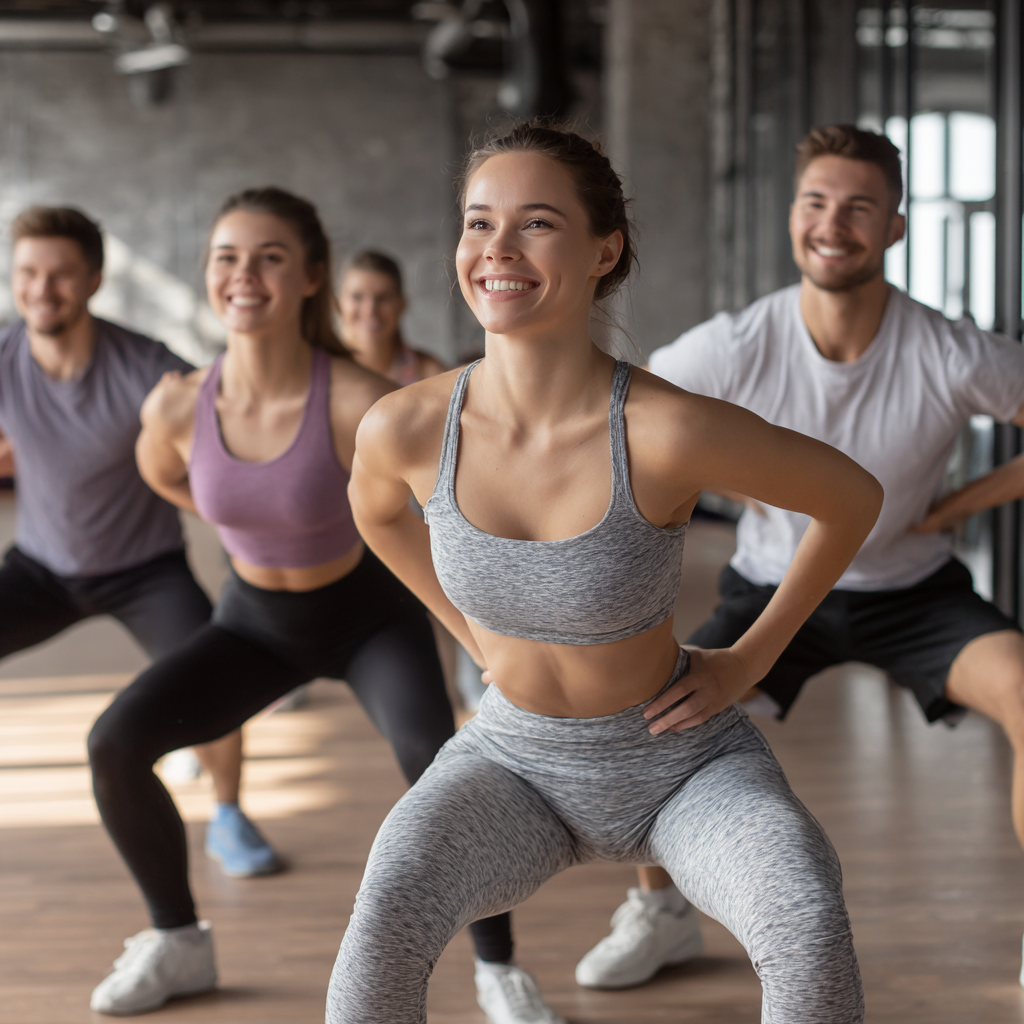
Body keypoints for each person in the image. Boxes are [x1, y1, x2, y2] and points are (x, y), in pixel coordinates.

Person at [329, 122, 881, 1024]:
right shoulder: (407, 427)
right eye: (478, 223)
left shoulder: (665, 429)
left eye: (536, 223)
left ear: (603, 249)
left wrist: (748, 660)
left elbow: (850, 496)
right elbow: (376, 513)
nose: (496, 250)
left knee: (805, 916)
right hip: (512, 761)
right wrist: (471, 632)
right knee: (385, 914)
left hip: (681, 764)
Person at [86, 187, 560, 1024]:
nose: (244, 275)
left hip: (368, 619)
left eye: (269, 257)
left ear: (310, 277)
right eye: (227, 257)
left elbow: (447, 507)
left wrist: (489, 630)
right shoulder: (175, 404)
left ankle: (499, 969)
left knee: (442, 765)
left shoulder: (355, 399)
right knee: (116, 743)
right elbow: (166, 475)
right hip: (254, 624)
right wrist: (256, 518)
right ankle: (177, 940)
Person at [579, 123, 1024, 991]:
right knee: (653, 718)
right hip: (771, 587)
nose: (833, 223)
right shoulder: (739, 343)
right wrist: (721, 484)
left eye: (859, 207)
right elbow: (624, 421)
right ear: (794, 217)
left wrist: (958, 505)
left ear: (894, 228)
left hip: (914, 592)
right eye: (816, 202)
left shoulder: (948, 351)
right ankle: (662, 914)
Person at [0, 204, 276, 879]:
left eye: (61, 275)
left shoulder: (145, 368)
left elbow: (230, 421)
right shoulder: (4, 356)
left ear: (93, 280)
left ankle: (231, 815)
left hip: (144, 571)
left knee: (212, 674)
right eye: (28, 273)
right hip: (42, 565)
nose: (42, 289)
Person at [338, 249, 445, 384]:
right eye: (357, 297)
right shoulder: (319, 372)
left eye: (383, 298)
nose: (370, 310)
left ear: (401, 305)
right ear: (340, 304)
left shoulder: (432, 375)